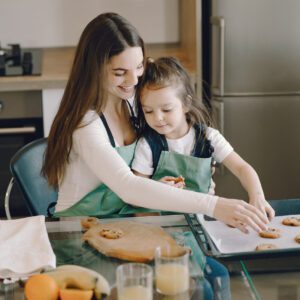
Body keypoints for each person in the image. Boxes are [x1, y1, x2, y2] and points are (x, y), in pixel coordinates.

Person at [42, 12, 270, 232]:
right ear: (94, 69)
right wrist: (215, 205)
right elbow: (128, 186)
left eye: (139, 66)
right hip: (78, 232)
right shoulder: (85, 124)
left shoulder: (133, 101)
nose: (133, 80)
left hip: (122, 224)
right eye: (120, 72)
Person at [132, 56, 275, 226]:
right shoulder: (147, 145)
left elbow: (242, 168)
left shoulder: (208, 137)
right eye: (148, 111)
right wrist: (156, 187)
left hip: (204, 223)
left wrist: (257, 197)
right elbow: (135, 194)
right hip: (163, 226)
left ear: (186, 104)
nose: (158, 118)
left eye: (167, 109)